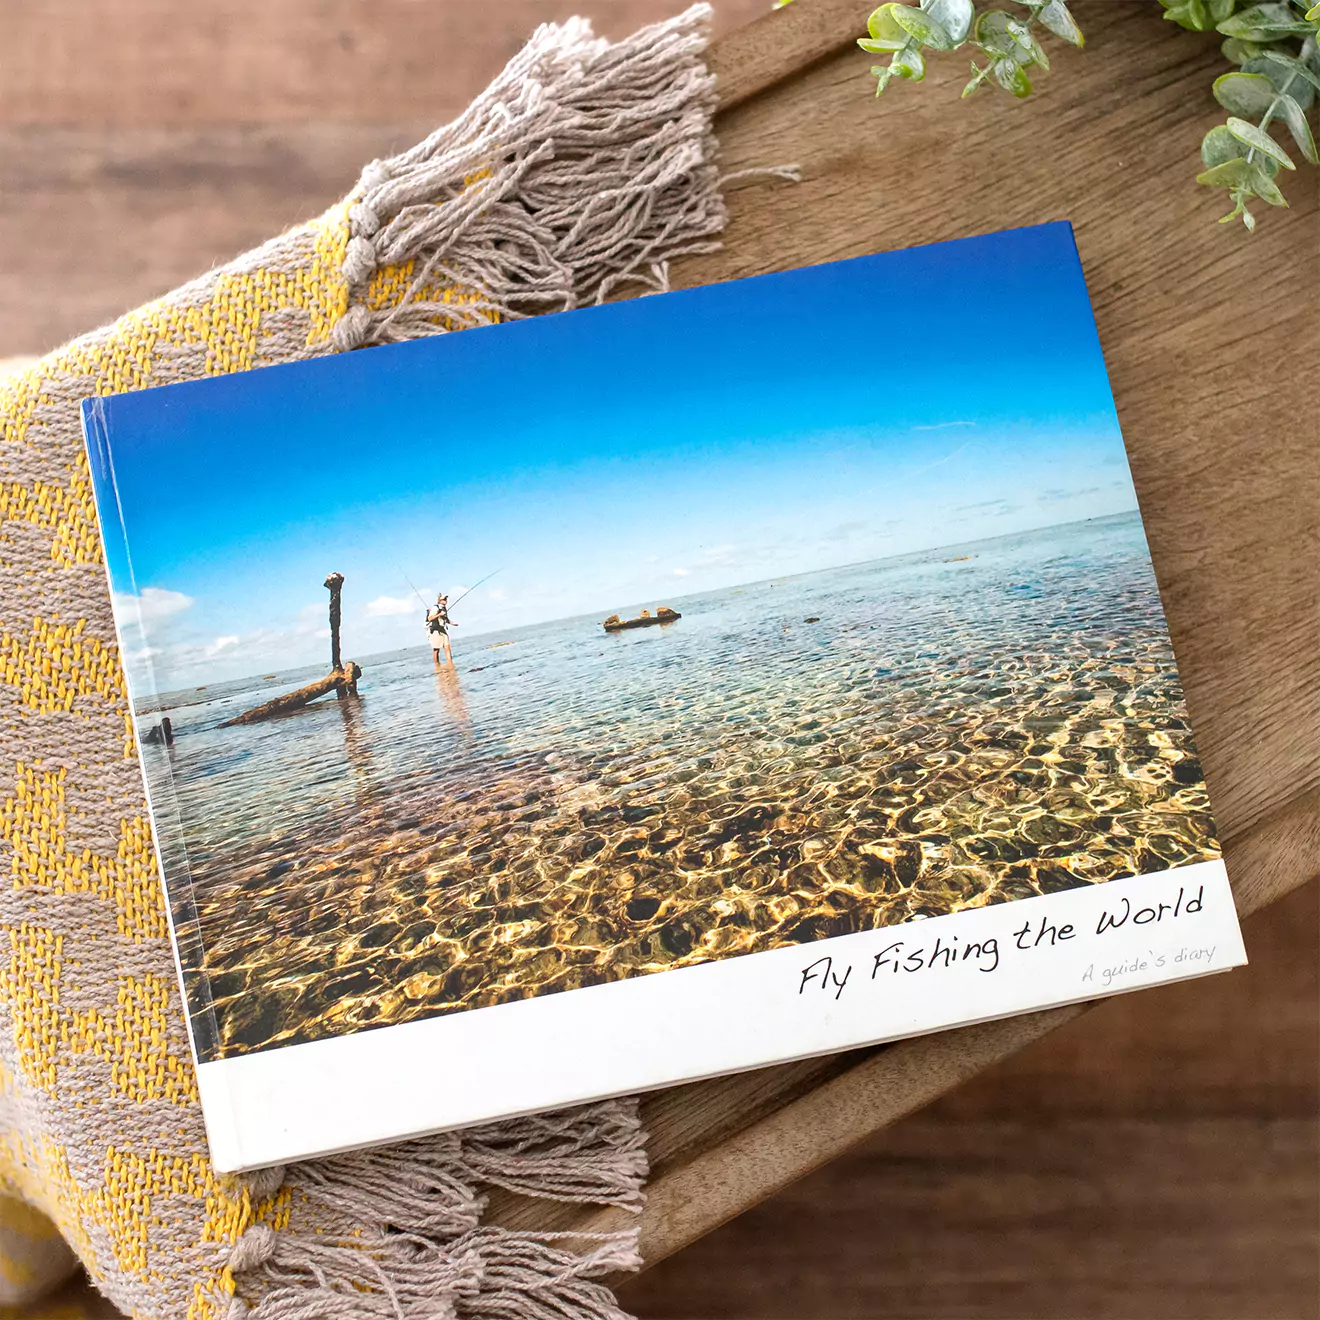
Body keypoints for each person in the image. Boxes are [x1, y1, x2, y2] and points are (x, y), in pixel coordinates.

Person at [426, 593, 455, 665]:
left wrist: (451, 623)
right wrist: (439, 614)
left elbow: (445, 619)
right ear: (439, 600)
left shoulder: (444, 608)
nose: (445, 600)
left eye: (446, 599)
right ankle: (437, 665)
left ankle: (450, 663)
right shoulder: (435, 608)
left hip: (442, 629)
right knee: (436, 649)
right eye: (444, 599)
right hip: (434, 630)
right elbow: (430, 618)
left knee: (447, 646)